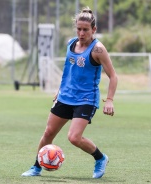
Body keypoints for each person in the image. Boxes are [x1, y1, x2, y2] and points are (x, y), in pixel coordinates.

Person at [21, 6, 118, 179]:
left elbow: (113, 76)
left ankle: (100, 158)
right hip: (66, 96)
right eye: (79, 29)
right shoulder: (71, 43)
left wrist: (109, 100)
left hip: (86, 99)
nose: (81, 33)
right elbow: (69, 71)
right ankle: (36, 167)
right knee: (48, 133)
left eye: (86, 30)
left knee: (74, 137)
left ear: (94, 30)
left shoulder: (98, 50)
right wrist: (59, 91)